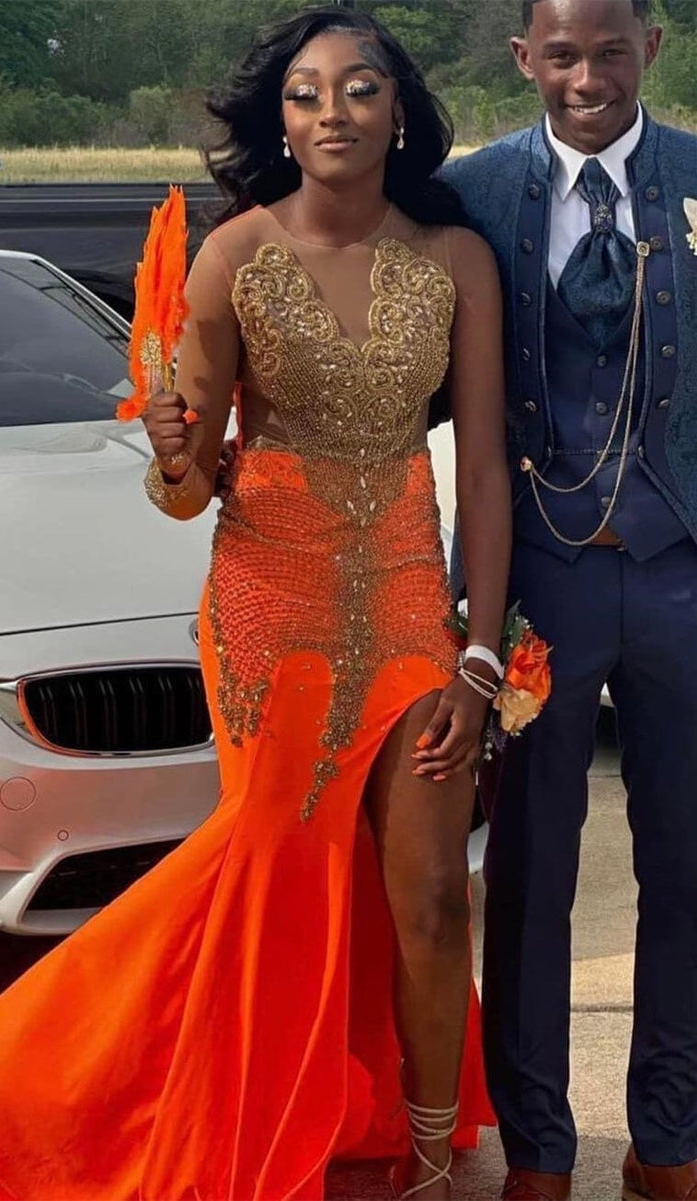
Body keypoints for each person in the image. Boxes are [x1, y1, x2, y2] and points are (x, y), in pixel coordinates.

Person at [0, 10, 510, 1201]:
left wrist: (481, 655)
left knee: (434, 894)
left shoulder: (455, 259)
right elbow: (183, 494)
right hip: (267, 612)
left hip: (407, 606)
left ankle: (431, 1162)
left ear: (398, 110)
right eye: (304, 93)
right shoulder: (232, 255)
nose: (330, 112)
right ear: (280, 119)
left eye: (358, 87)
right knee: (272, 879)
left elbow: (480, 469)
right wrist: (173, 451)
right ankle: (95, 1086)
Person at [441, 2, 697, 1199]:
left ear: (650, 45)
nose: (584, 78)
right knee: (532, 871)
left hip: (681, 570)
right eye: (559, 55)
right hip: (535, 579)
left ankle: (668, 1136)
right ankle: (538, 1146)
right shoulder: (472, 193)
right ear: (522, 60)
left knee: (684, 863)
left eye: (606, 51)